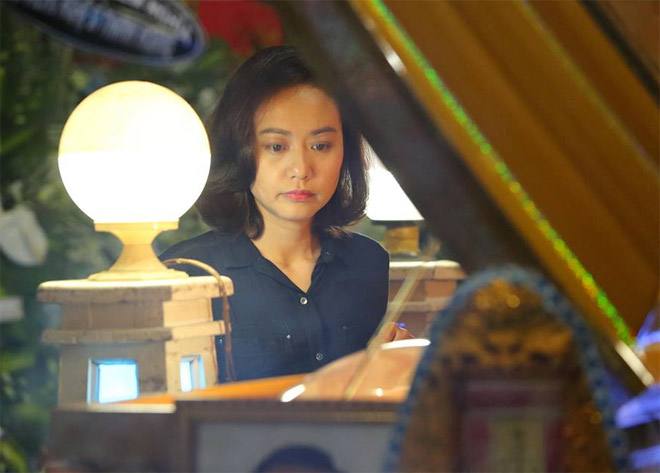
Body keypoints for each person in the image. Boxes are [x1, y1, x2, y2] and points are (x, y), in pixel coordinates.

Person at [161, 45, 399, 382]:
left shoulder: (368, 262)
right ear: (239, 151)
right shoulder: (189, 274)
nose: (301, 169)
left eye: (321, 146)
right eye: (276, 146)